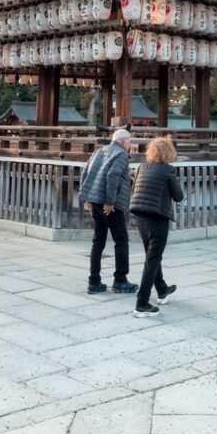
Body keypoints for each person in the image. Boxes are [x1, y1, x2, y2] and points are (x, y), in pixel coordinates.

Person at [79, 127, 137, 295]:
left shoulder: (99, 151)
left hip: (95, 201)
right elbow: (112, 176)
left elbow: (86, 172)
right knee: (121, 240)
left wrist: (86, 197)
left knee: (98, 241)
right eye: (130, 142)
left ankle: (94, 282)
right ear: (124, 141)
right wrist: (110, 202)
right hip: (109, 204)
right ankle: (120, 280)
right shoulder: (120, 154)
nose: (130, 145)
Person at [130, 136, 184, 317]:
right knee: (152, 259)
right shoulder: (168, 170)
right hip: (158, 218)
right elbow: (178, 196)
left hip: (140, 215)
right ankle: (142, 303)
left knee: (152, 256)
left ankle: (161, 289)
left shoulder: (141, 167)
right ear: (169, 152)